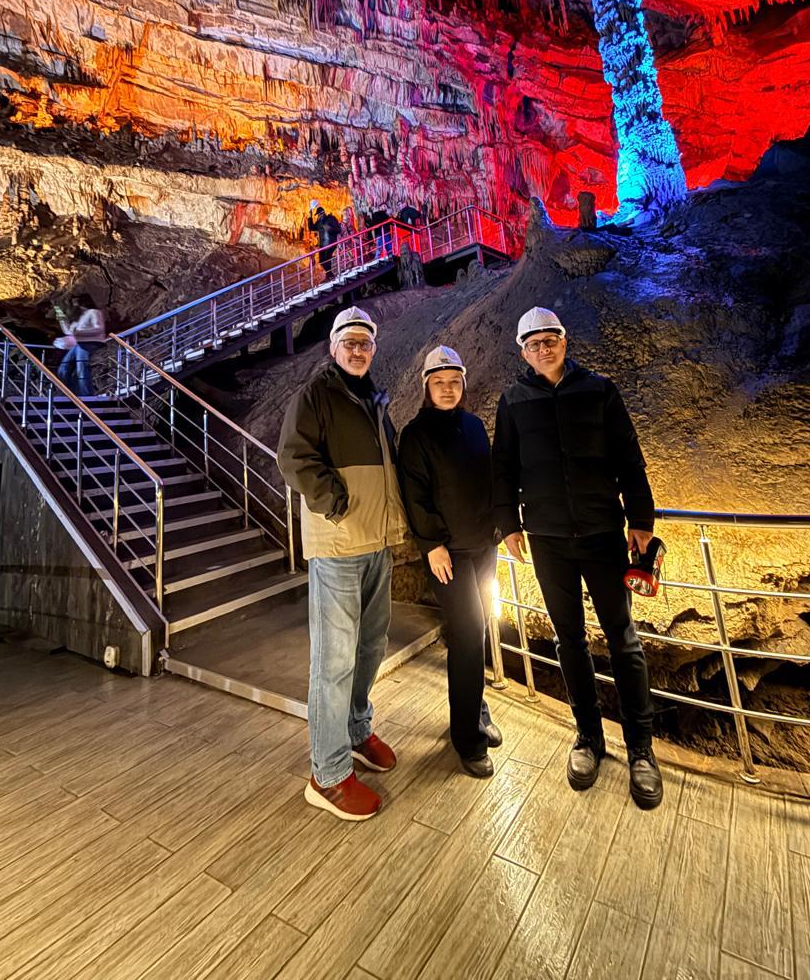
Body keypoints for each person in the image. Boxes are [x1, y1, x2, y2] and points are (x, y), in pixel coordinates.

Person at [491, 307, 664, 809]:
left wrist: (642, 522)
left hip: (603, 533)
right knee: (570, 641)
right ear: (522, 350)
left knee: (624, 640)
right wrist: (508, 525)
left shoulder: (600, 390)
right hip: (547, 539)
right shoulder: (513, 401)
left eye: (551, 339)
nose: (544, 348)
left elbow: (629, 457)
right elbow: (502, 467)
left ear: (565, 342)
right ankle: (588, 737)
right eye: (534, 342)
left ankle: (641, 749)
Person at [276, 305, 409, 821]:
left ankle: (355, 731)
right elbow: (293, 456)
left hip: (375, 542)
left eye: (365, 342)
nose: (358, 350)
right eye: (349, 342)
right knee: (334, 661)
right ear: (333, 348)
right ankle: (327, 773)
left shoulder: (373, 399)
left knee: (371, 644)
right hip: (337, 544)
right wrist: (333, 500)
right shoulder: (316, 395)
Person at [398, 346, 503, 778]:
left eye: (454, 381)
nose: (447, 389)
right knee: (467, 632)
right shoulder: (416, 434)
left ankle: (474, 705)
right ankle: (467, 740)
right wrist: (432, 545)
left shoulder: (475, 426)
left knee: (476, 634)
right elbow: (415, 495)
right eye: (439, 383)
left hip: (483, 546)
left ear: (463, 383)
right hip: (449, 554)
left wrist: (501, 526)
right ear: (427, 386)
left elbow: (489, 479)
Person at [54, 293, 106, 397]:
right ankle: (67, 392)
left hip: (90, 343)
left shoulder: (94, 312)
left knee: (81, 367)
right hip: (79, 344)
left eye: (76, 302)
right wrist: (60, 316)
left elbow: (99, 328)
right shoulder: (80, 317)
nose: (75, 305)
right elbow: (68, 331)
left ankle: (85, 394)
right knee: (64, 366)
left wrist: (80, 332)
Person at [308, 199, 342, 280]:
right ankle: (329, 274)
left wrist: (328, 227)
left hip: (331, 243)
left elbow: (338, 230)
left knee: (327, 259)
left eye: (318, 215)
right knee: (321, 260)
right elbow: (311, 227)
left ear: (322, 213)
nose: (318, 217)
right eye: (318, 216)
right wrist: (310, 215)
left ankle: (330, 275)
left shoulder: (331, 219)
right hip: (323, 244)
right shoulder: (319, 222)